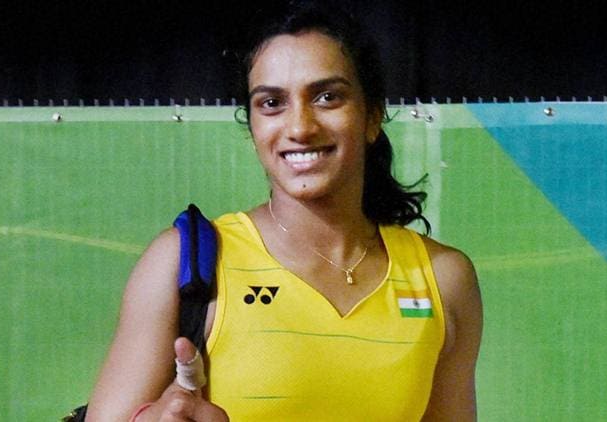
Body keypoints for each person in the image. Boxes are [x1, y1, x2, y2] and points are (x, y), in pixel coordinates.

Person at [87, 3, 482, 421]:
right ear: (252, 126)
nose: (300, 127)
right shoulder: (181, 262)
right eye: (272, 103)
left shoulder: (444, 279)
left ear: (372, 116)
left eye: (327, 97)